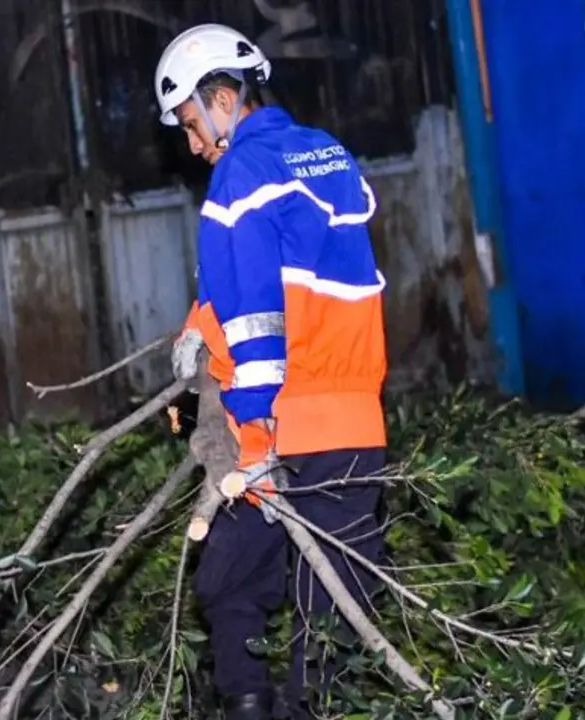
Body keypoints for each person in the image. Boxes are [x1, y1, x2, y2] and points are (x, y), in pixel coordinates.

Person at [155, 23, 389, 720]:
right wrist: (202, 326)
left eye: (193, 123)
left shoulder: (243, 172)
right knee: (329, 611)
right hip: (349, 418)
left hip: (283, 419)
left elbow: (256, 305)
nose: (194, 145)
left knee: (233, 584)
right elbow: (296, 277)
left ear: (223, 97)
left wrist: (254, 422)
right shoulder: (323, 152)